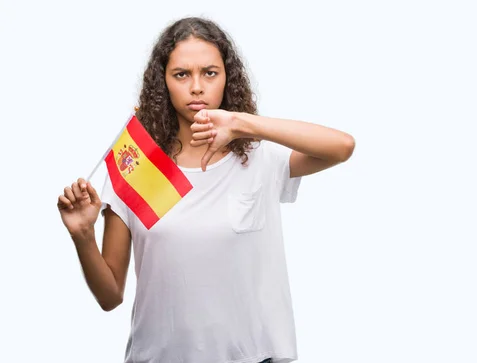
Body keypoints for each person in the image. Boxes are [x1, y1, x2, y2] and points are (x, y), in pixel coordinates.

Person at [57, 16, 355, 363]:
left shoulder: (259, 156)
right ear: (163, 83)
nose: (196, 87)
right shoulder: (137, 168)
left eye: (209, 73)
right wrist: (82, 235)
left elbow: (342, 146)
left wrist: (241, 122)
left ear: (227, 77)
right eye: (181, 74)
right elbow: (110, 297)